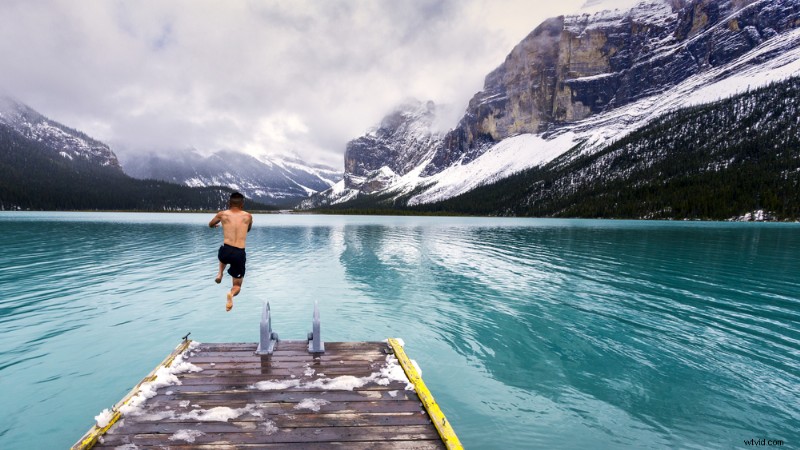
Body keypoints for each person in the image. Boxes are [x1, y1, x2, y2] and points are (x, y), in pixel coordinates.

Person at [209, 192, 253, 311]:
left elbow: (210, 224)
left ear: (229, 203)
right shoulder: (248, 216)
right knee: (237, 285)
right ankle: (231, 294)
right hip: (239, 253)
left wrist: (217, 225)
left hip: (226, 251)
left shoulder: (222, 214)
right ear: (242, 204)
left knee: (223, 253)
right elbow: (248, 229)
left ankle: (220, 273)